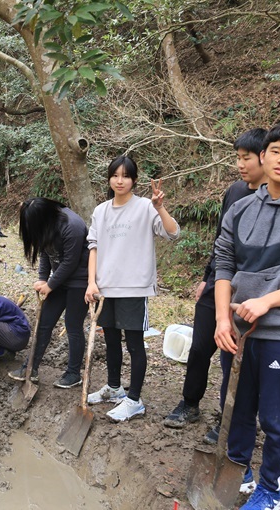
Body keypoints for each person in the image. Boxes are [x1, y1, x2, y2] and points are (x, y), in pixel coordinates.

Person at [214, 122, 280, 510]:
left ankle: (271, 491)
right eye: (276, 151)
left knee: (277, 419)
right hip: (238, 330)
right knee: (236, 409)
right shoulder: (240, 208)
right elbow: (223, 265)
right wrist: (223, 318)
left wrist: (268, 301)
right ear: (263, 155)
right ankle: (238, 472)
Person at [163, 129, 269, 451]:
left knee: (232, 358)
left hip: (249, 291)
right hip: (217, 284)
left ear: (264, 157)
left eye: (245, 158)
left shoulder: (276, 200)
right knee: (199, 348)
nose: (240, 164)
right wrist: (207, 277)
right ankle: (190, 404)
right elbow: (222, 243)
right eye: (237, 157)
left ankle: (230, 417)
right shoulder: (235, 191)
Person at [85, 155, 180, 422]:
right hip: (106, 287)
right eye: (115, 175)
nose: (120, 180)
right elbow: (93, 247)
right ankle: (114, 388)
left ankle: (134, 400)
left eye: (125, 176)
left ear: (134, 180)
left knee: (135, 345)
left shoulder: (145, 208)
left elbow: (173, 233)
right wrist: (92, 282)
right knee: (112, 341)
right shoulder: (101, 211)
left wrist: (160, 207)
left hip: (134, 287)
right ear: (109, 179)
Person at [7, 197, 90, 387]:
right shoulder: (47, 225)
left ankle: (73, 374)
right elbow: (45, 252)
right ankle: (30, 368)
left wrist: (50, 285)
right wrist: (43, 278)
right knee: (44, 322)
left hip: (80, 281)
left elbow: (70, 262)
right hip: (59, 280)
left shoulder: (73, 226)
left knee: (73, 326)